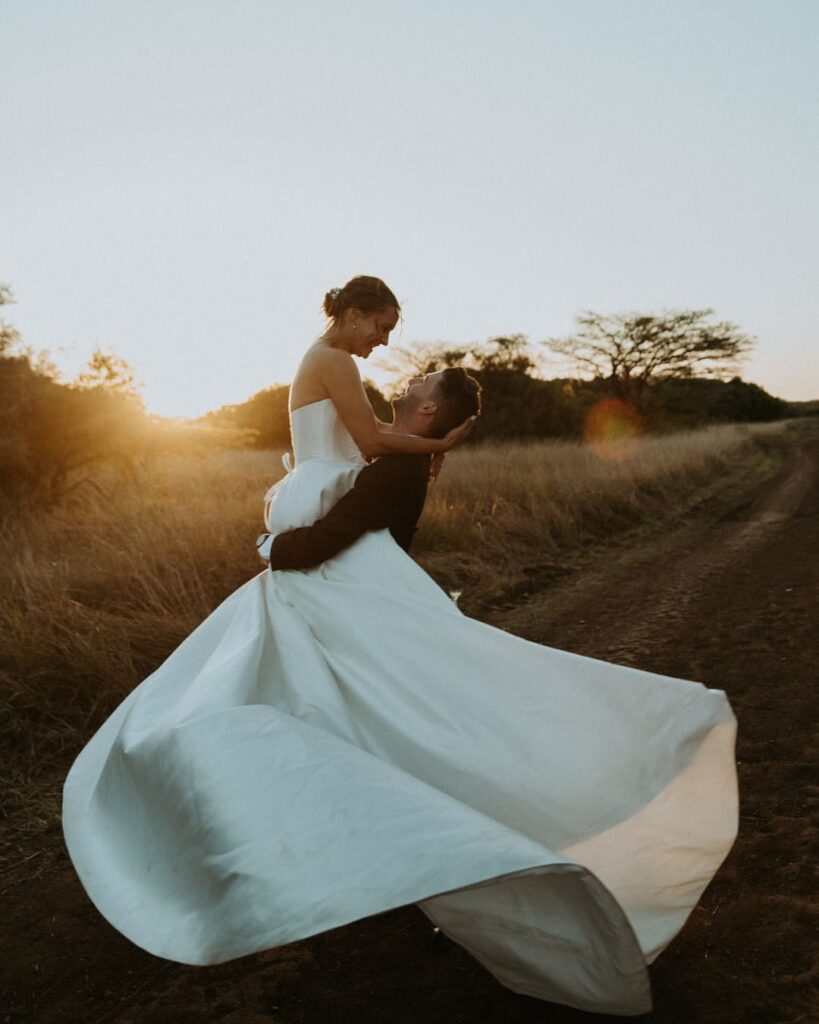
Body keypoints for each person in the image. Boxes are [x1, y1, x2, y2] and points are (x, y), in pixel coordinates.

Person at [62, 277, 738, 1017]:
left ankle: (298, 818)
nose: (384, 344)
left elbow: (372, 461)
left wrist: (403, 463)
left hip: (316, 553)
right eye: (380, 326)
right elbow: (375, 443)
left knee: (310, 689)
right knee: (312, 687)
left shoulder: (355, 393)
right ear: (352, 313)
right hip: (316, 550)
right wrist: (434, 444)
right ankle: (276, 816)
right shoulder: (338, 366)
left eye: (390, 336)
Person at [257, 367, 482, 570]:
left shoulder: (400, 468)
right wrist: (439, 446)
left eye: (423, 381)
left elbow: (328, 537)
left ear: (428, 407)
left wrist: (270, 546)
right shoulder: (404, 459)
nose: (412, 380)